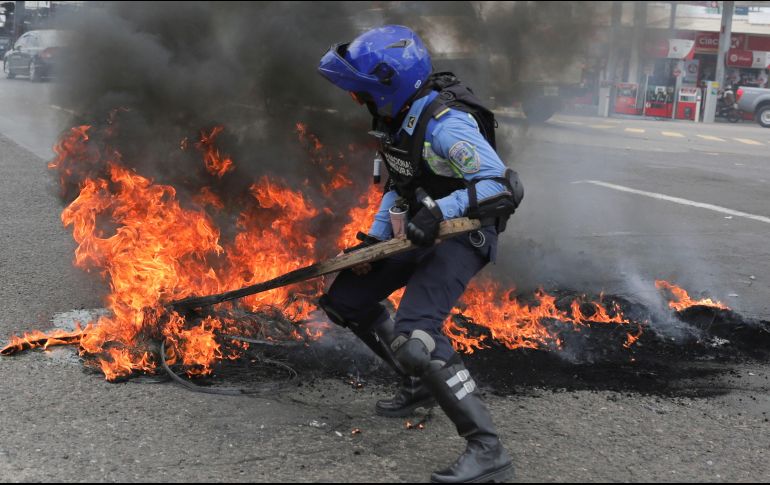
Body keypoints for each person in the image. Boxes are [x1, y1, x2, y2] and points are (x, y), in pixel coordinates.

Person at [317, 25, 522, 483]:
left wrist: (439, 211)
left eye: (361, 92)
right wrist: (371, 243)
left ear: (389, 87)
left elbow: (502, 186)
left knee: (417, 338)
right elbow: (400, 186)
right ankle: (416, 383)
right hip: (421, 232)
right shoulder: (397, 121)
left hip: (466, 234)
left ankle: (489, 451)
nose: (357, 100)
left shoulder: (447, 123)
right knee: (344, 298)